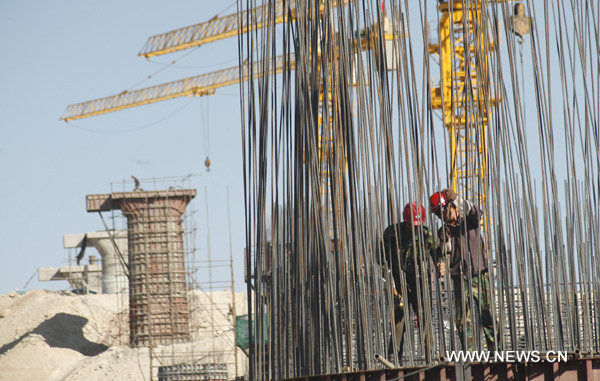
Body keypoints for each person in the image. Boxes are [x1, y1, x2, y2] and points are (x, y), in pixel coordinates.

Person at [429, 188, 499, 351]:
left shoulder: (469, 221)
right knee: (462, 323)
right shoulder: (443, 232)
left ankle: (496, 353)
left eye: (443, 211)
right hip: (459, 279)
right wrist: (442, 251)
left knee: (488, 317)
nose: (442, 216)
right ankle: (470, 356)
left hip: (479, 275)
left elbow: (477, 212)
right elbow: (441, 255)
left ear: (452, 206)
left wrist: (458, 198)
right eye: (438, 215)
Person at [382, 202, 441, 362]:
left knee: (424, 317)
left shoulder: (426, 235)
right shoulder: (391, 234)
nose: (415, 229)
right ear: (405, 220)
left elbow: (438, 253)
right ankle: (393, 358)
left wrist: (441, 263)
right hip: (397, 283)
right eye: (412, 225)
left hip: (418, 282)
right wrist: (390, 285)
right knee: (398, 321)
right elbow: (382, 262)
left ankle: (431, 355)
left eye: (417, 225)